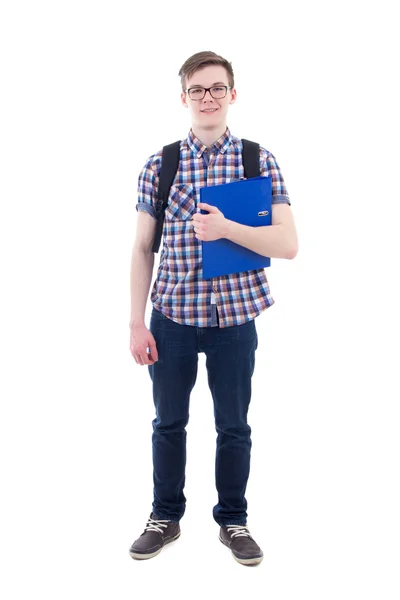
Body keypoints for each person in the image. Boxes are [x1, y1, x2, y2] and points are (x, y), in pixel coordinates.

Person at [128, 51, 298, 566]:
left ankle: (234, 520)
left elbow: (288, 243)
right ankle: (165, 516)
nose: (208, 98)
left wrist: (227, 229)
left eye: (217, 88)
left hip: (234, 320)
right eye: (198, 90)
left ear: (232, 94)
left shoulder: (256, 160)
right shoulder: (161, 165)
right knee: (167, 423)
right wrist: (135, 322)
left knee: (234, 426)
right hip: (172, 319)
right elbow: (141, 248)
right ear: (184, 98)